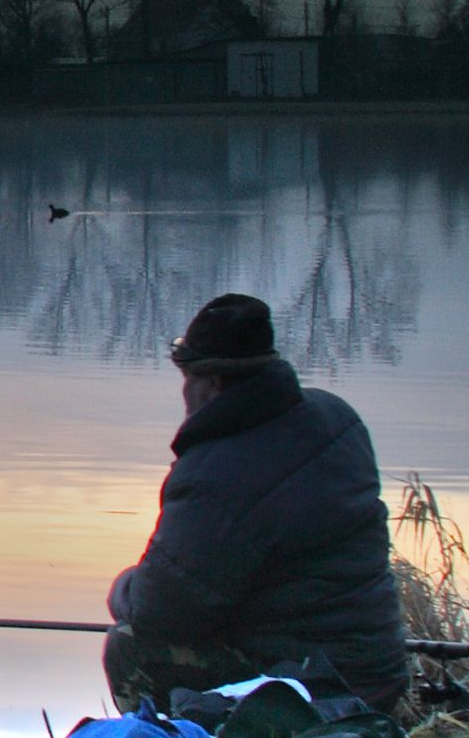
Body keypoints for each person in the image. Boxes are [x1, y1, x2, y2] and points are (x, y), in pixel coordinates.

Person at [105, 293, 407, 713]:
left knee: (128, 644)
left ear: (211, 384)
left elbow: (159, 612)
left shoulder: (215, 474)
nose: (184, 393)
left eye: (187, 377)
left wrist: (122, 587)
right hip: (379, 670)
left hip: (311, 691)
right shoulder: (338, 418)